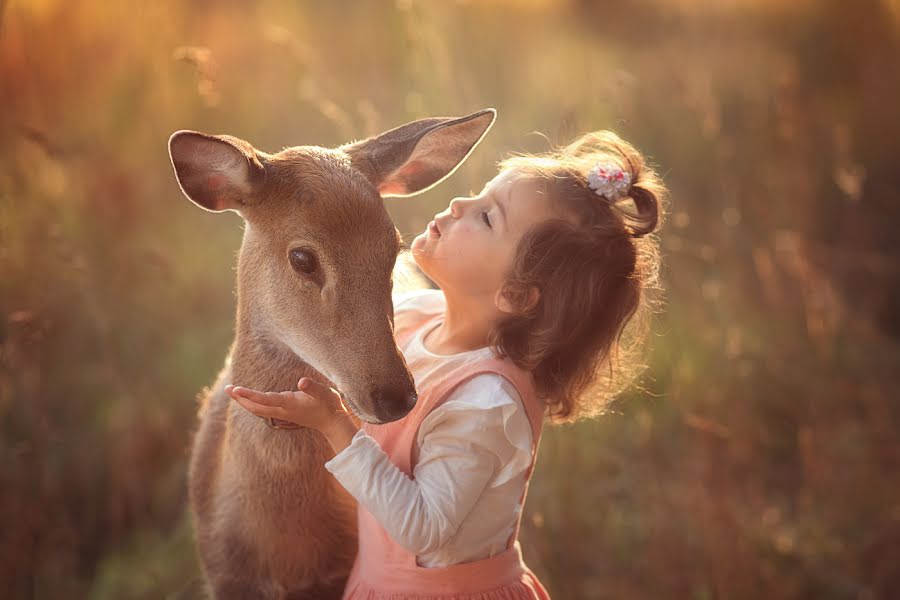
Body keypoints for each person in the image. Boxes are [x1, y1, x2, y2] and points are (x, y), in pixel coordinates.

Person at [226, 129, 668, 599]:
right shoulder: (417, 317)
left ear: (515, 294)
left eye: (486, 217)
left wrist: (336, 426)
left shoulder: (486, 403)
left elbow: (422, 528)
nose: (458, 203)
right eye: (477, 194)